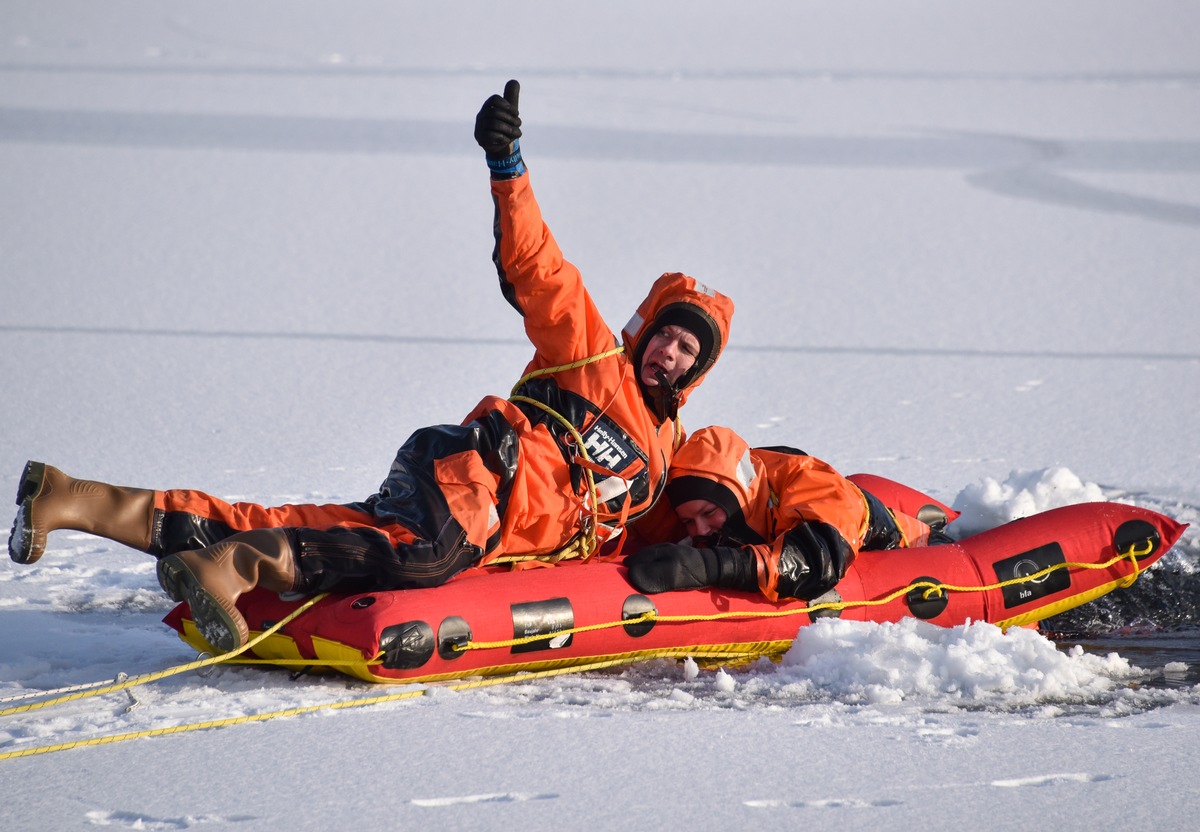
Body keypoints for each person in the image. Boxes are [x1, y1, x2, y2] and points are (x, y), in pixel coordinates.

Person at [9, 80, 734, 653]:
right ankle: (233, 570)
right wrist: (507, 167)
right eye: (666, 336)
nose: (669, 353)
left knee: (305, 524)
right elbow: (537, 266)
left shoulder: (662, 460)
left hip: (479, 518)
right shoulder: (592, 351)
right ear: (646, 332)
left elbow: (662, 530)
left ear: (695, 372)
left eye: (687, 352)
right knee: (421, 557)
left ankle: (71, 498)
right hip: (473, 475)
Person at [624, 425, 945, 602]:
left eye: (709, 512)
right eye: (689, 521)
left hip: (920, 554)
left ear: (739, 491)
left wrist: (710, 567)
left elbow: (818, 561)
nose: (701, 529)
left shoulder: (811, 484)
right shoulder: (743, 503)